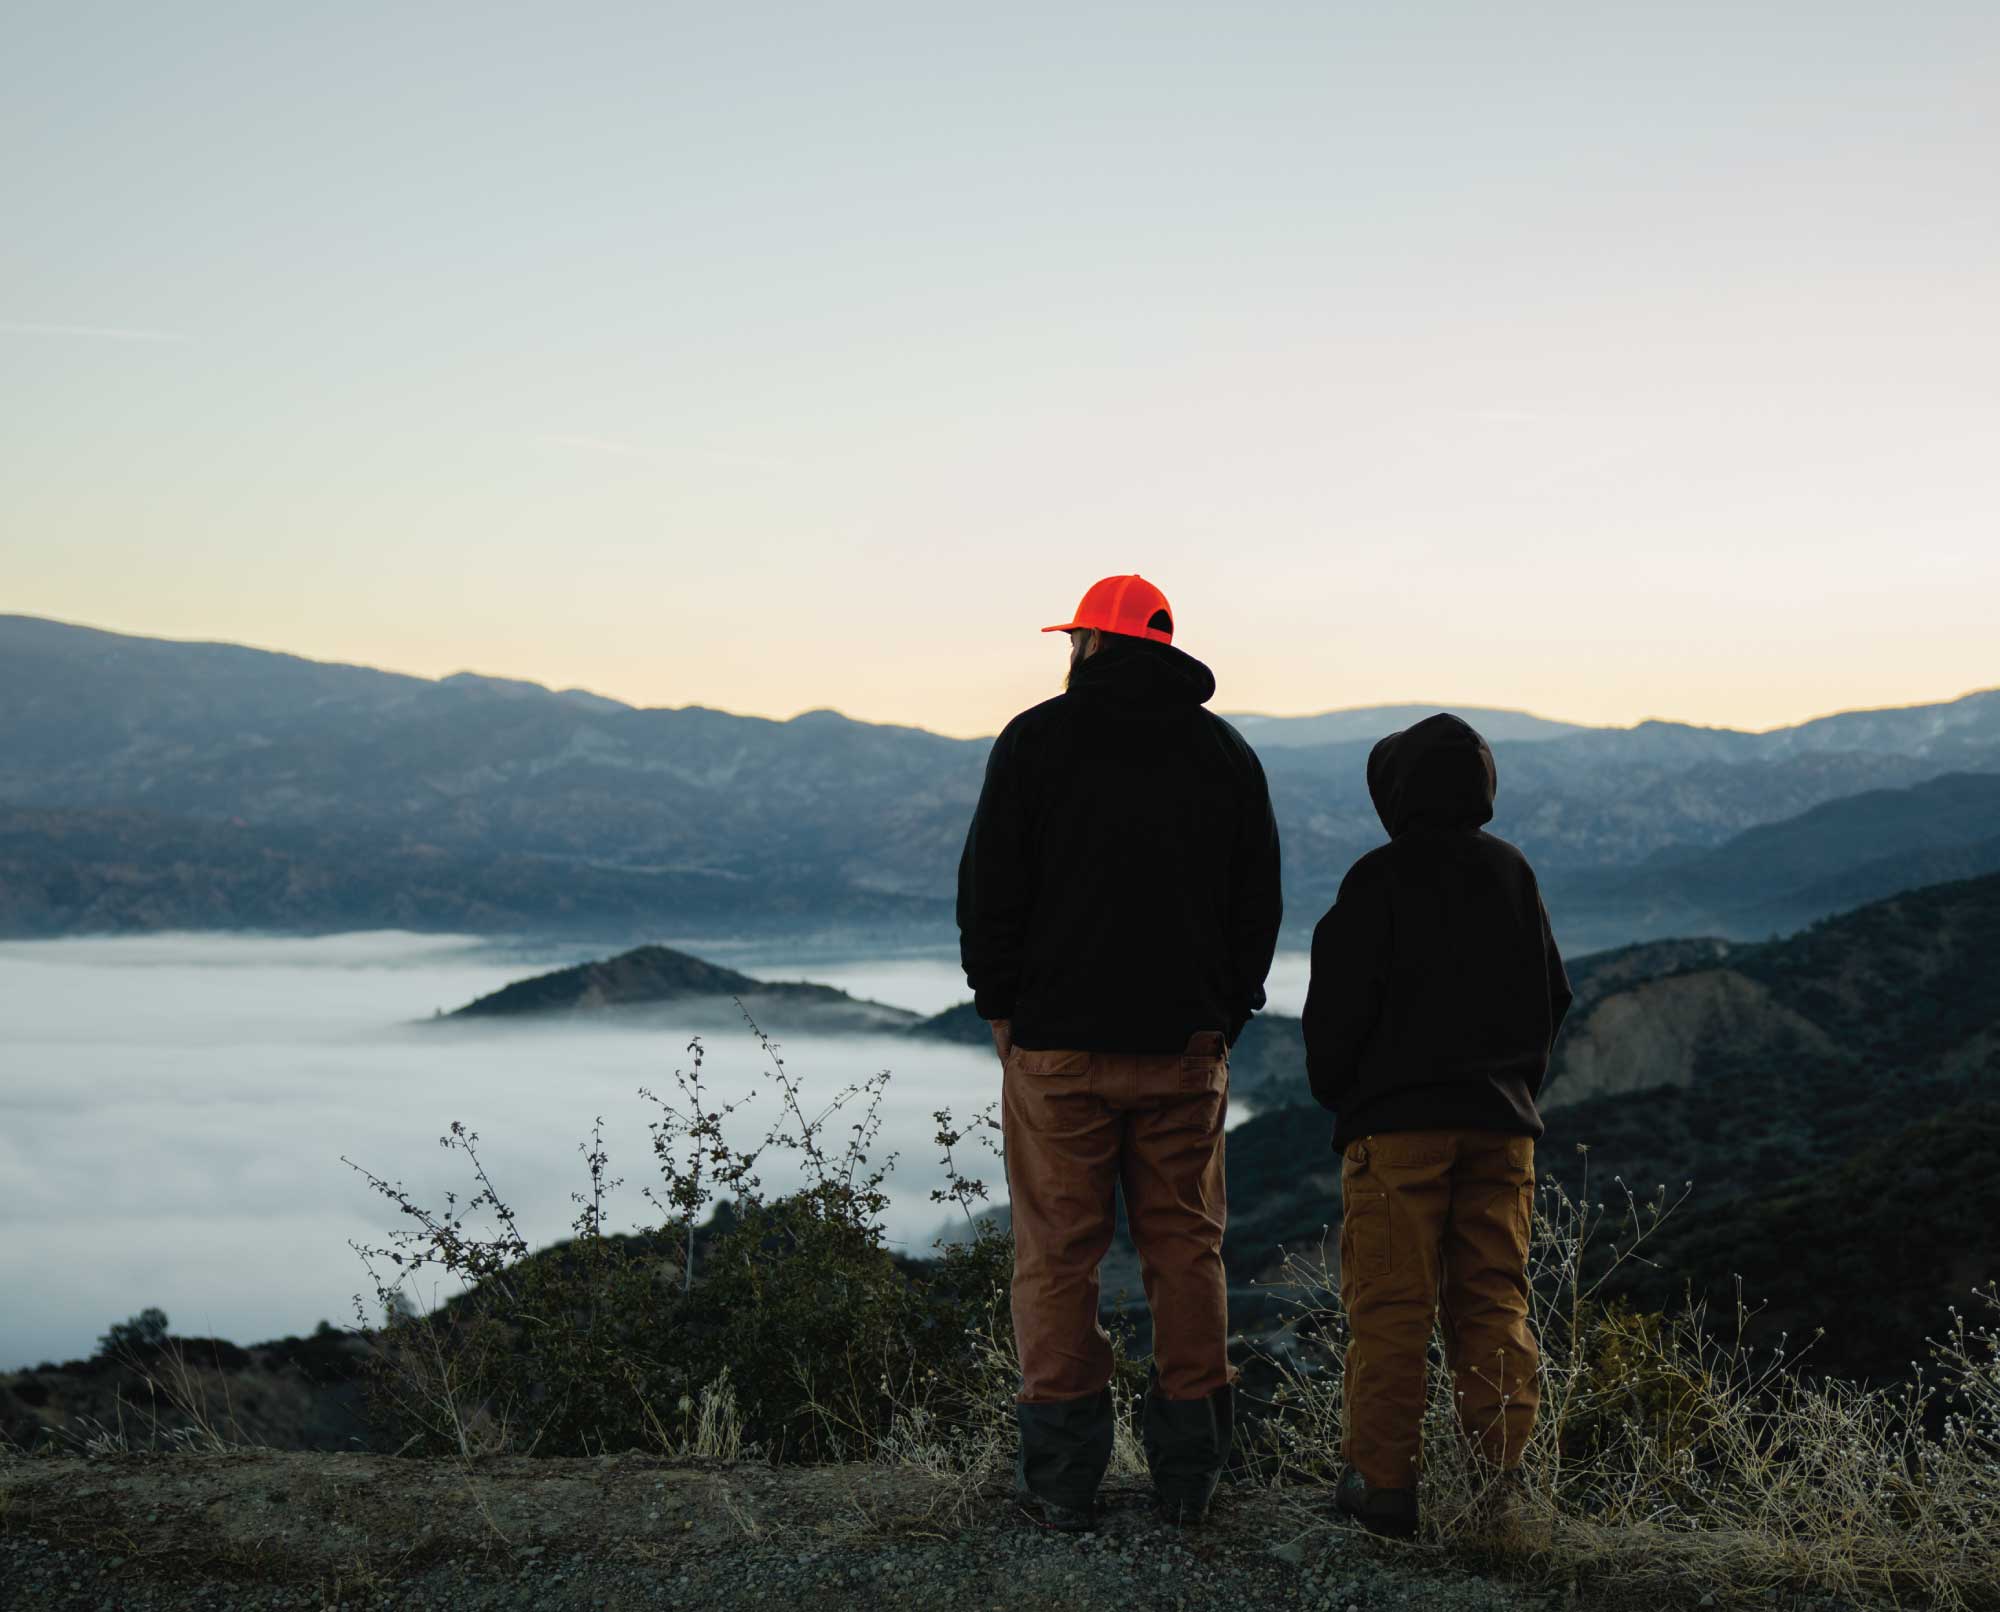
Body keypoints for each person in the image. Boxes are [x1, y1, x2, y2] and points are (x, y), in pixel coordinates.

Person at [957, 573, 1283, 1530]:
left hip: (1056, 1049)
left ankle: (1061, 1483)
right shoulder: (1225, 753)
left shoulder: (1035, 740)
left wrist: (1002, 1011)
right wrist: (1226, 1013)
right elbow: (1255, 906)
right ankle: (1191, 1478)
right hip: (1185, 1049)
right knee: (1186, 1250)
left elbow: (990, 889)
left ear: (1092, 645)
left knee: (1057, 1255)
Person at [1301, 712, 1573, 1539]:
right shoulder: (1512, 872)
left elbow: (1335, 1018)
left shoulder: (1376, 881)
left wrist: (1352, 1099)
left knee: (1392, 1308)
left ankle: (1382, 1489)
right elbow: (1552, 997)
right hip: (1502, 1129)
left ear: (1394, 792)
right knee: (1493, 1301)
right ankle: (1502, 1494)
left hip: (1400, 1133)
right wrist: (1514, 1087)